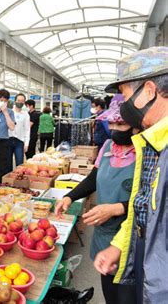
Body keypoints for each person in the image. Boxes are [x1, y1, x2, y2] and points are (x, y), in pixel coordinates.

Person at [93, 46, 168, 303]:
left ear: (149, 90)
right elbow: (144, 210)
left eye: (125, 95)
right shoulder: (152, 144)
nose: (123, 108)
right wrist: (119, 246)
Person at [55, 94, 137, 304]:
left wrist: (117, 208)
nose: (115, 128)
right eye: (111, 123)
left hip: (132, 235)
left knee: (128, 293)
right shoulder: (108, 147)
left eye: (121, 123)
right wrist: (70, 197)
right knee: (110, 289)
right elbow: (93, 178)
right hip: (104, 233)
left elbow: (151, 200)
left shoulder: (147, 152)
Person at [7, 93, 30, 171]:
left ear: (24, 102)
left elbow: (27, 130)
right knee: (7, 164)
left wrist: (26, 144)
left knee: (20, 164)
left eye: (22, 101)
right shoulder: (9, 112)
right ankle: (8, 181)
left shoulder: (25, 114)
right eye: (18, 100)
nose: (20, 102)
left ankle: (19, 181)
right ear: (15, 101)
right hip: (8, 140)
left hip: (19, 141)